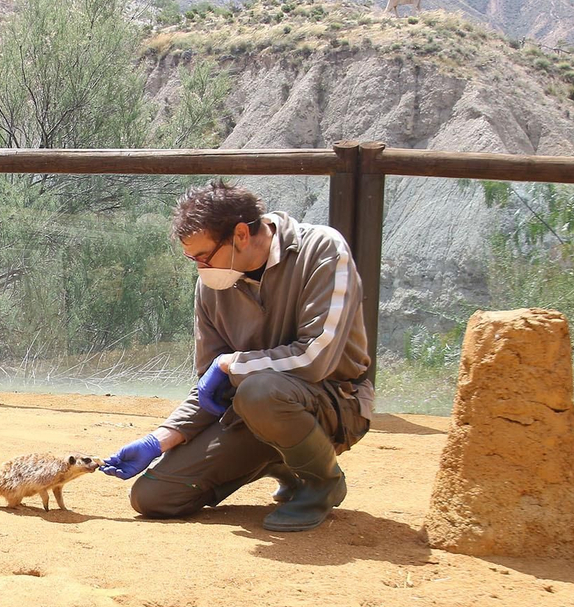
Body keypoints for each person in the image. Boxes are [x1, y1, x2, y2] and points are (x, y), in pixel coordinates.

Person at [100, 180, 373, 532]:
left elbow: (315, 358)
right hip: (254, 411)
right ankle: (287, 460)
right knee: (154, 497)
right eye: (191, 258)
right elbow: (212, 387)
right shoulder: (211, 286)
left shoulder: (323, 249)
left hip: (336, 403)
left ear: (241, 234)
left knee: (259, 390)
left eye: (203, 256)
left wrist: (234, 364)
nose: (198, 266)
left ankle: (322, 483)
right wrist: (161, 438)